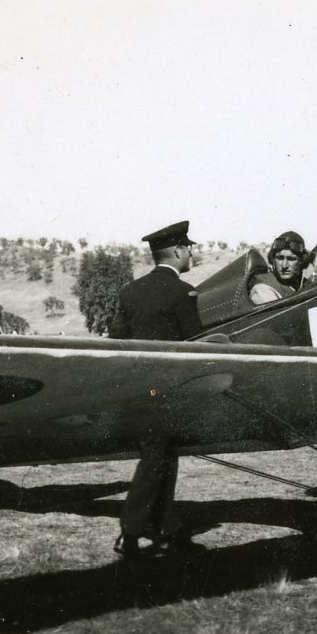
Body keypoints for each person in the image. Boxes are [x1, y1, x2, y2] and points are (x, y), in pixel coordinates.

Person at [109, 220, 205, 558]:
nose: (192, 251)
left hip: (138, 392)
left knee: (163, 456)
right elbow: (195, 347)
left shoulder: (129, 293)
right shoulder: (183, 293)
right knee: (155, 458)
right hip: (163, 393)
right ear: (178, 251)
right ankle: (130, 533)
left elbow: (116, 345)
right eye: (189, 247)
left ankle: (169, 528)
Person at [249, 231, 309, 304]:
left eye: (291, 259)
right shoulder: (264, 290)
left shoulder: (303, 284)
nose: (284, 266)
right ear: (272, 260)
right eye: (280, 258)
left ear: (302, 261)